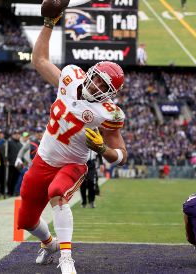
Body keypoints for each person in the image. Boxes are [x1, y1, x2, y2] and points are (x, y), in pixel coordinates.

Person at [17, 3, 128, 274]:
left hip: (72, 164)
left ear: (110, 93)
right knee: (26, 220)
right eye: (97, 79)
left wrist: (104, 150)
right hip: (43, 159)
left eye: (105, 86)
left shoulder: (107, 113)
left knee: (57, 193)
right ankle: (49, 244)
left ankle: (67, 258)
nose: (97, 86)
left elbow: (121, 155)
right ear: (90, 72)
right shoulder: (69, 78)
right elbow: (40, 60)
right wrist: (49, 22)